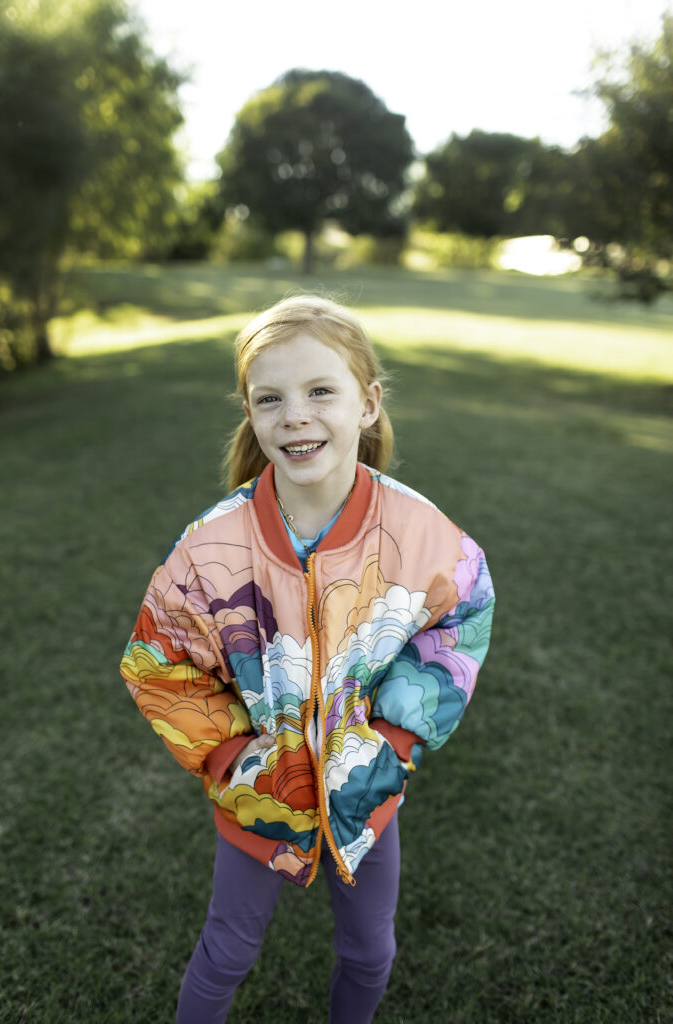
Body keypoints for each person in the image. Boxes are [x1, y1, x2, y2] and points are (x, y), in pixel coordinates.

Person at [120, 294, 495, 1023]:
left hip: (369, 794)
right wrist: (232, 755)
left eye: (320, 391)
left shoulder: (418, 532)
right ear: (252, 416)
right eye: (270, 399)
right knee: (226, 950)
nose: (294, 414)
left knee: (369, 953)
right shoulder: (212, 546)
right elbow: (158, 658)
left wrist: (395, 740)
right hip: (257, 797)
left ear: (367, 403)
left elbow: (460, 614)